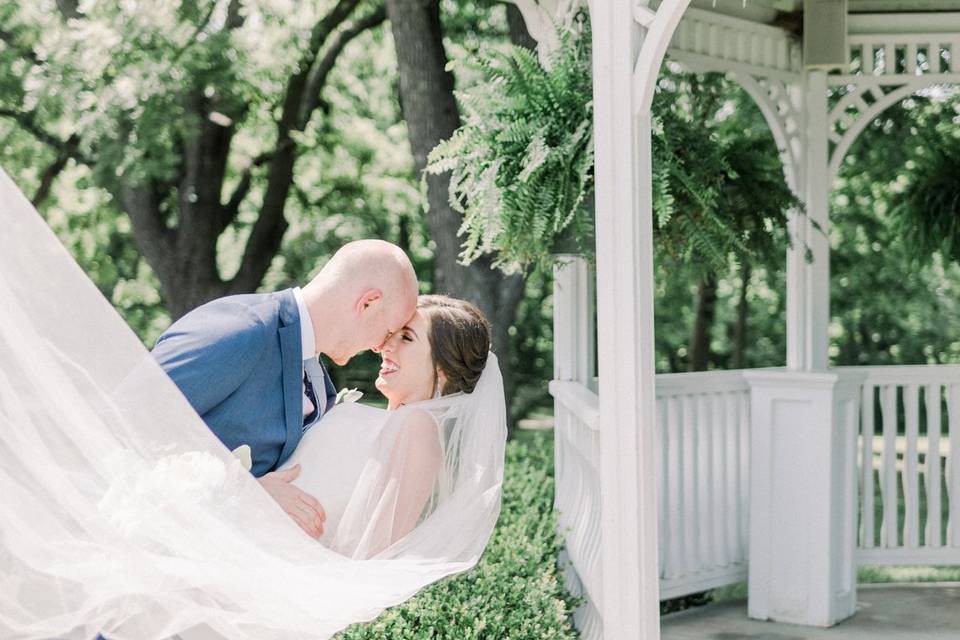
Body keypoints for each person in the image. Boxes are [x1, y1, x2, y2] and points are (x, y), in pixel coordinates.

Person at [151, 240, 418, 539]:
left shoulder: (315, 375)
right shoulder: (244, 328)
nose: (380, 347)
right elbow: (124, 421)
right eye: (388, 331)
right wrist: (245, 492)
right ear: (368, 302)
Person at [282, 295, 493, 558]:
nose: (386, 345)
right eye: (392, 334)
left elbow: (374, 547)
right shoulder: (396, 423)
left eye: (406, 338)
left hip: (293, 564)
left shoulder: (419, 427)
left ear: (442, 368)